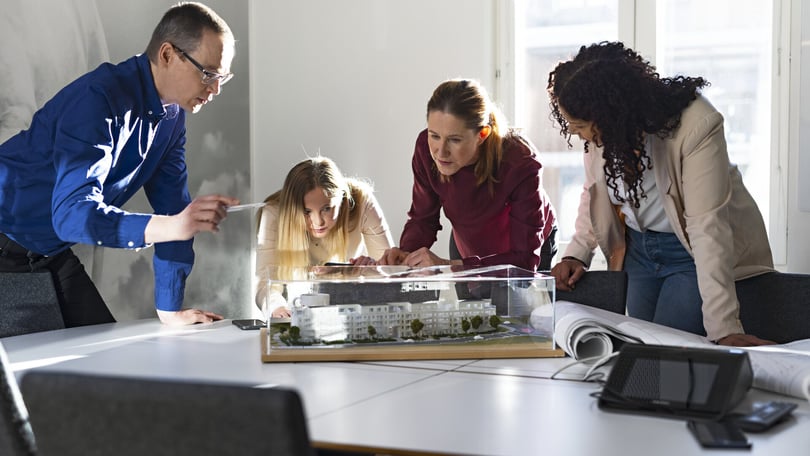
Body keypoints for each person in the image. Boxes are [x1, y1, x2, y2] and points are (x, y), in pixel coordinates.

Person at [0, 2, 239, 328]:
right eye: (208, 73)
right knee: (35, 362)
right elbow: (71, 215)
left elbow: (174, 209)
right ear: (167, 55)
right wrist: (170, 226)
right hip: (6, 246)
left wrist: (169, 308)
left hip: (49, 252)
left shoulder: (172, 119)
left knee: (106, 351)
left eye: (223, 78)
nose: (215, 89)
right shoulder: (97, 98)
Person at [547, 41, 775, 346]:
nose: (578, 135)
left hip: (689, 252)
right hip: (638, 251)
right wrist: (577, 253)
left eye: (580, 126)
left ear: (611, 114)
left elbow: (707, 227)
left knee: (665, 351)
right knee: (644, 350)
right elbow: (596, 191)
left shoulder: (696, 125)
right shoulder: (603, 134)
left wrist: (724, 329)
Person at [379, 79, 557, 272]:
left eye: (454, 140)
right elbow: (423, 218)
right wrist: (406, 254)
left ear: (482, 134)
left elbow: (524, 261)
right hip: (467, 243)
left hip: (526, 248)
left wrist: (447, 266)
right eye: (434, 135)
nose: (440, 152)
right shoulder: (425, 148)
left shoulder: (520, 162)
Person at [255, 156, 394, 318]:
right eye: (307, 212)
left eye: (327, 208)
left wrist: (370, 270)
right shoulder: (273, 214)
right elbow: (264, 284)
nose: (318, 222)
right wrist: (277, 308)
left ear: (342, 199)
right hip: (298, 311)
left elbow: (392, 274)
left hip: (351, 312)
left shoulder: (362, 202)